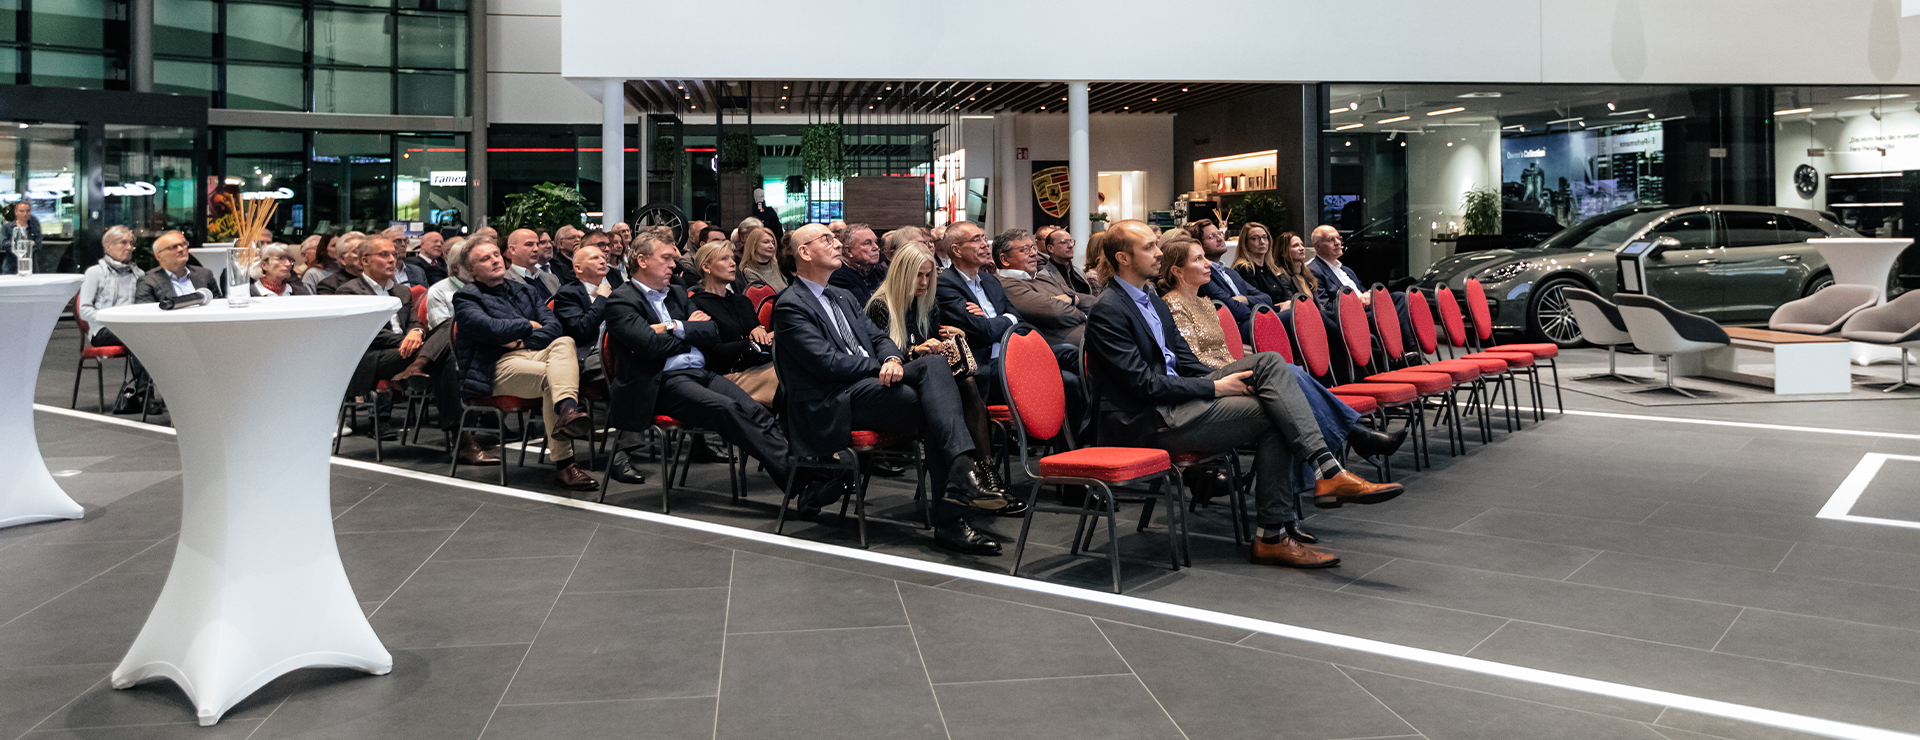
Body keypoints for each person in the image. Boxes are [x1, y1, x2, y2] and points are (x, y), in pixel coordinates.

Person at [1084, 220, 1405, 569]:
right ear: (1123, 258)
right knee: (1275, 412)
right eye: (1148, 247)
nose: (1158, 252)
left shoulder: (1151, 300)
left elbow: (1186, 362)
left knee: (1270, 367)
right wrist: (1216, 386)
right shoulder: (1109, 310)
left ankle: (1318, 483)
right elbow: (1142, 384)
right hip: (1147, 420)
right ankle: (1285, 521)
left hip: (1179, 403)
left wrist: (1232, 377)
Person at [773, 222, 1012, 554]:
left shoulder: (841, 296)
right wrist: (884, 364)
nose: (836, 245)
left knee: (936, 369)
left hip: (869, 386)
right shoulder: (790, 305)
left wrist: (891, 359)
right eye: (826, 240)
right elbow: (826, 363)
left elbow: (879, 338)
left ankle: (959, 482)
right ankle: (957, 498)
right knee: (936, 397)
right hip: (832, 400)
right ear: (804, 252)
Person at [1157, 231, 1407, 512]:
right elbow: (1190, 363)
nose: (1208, 264)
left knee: (1285, 381)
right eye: (1199, 259)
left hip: (1229, 372)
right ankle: (1350, 442)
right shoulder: (1170, 306)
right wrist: (1232, 379)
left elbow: (1226, 348)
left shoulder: (1204, 303)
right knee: (1282, 378)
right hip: (1210, 384)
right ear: (1178, 271)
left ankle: (1324, 476)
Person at [602, 228, 804, 495]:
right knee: (728, 409)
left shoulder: (676, 292)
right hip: (662, 381)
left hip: (702, 372)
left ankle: (798, 474)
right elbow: (649, 347)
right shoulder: (621, 301)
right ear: (642, 260)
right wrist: (687, 330)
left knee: (755, 410)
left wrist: (670, 327)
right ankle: (798, 480)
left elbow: (711, 332)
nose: (673, 265)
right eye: (665, 258)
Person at [865, 243, 1008, 497]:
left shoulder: (926, 305)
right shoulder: (880, 306)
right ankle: (978, 473)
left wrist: (949, 340)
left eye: (928, 275)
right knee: (965, 385)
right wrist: (916, 351)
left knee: (969, 381)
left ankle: (979, 471)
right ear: (902, 274)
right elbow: (882, 358)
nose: (924, 282)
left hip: (929, 376)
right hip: (895, 379)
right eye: (918, 275)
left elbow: (931, 346)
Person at [454, 242, 596, 492]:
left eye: (496, 255)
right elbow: (489, 327)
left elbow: (554, 328)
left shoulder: (525, 290)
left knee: (565, 341)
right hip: (494, 368)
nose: (495, 260)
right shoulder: (466, 297)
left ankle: (567, 411)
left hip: (535, 355)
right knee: (552, 379)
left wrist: (518, 340)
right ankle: (566, 464)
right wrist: (529, 325)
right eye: (486, 258)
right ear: (471, 270)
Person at [418, 239, 501, 466]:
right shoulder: (439, 291)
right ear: (457, 267)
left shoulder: (491, 286)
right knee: (455, 363)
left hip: (495, 345)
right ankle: (463, 437)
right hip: (457, 348)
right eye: (472, 262)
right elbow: (444, 331)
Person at [334, 237, 426, 424]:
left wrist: (417, 332)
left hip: (403, 351)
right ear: (365, 260)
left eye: (394, 254)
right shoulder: (350, 292)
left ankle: (455, 429)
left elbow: (415, 322)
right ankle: (460, 427)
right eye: (384, 255)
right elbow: (366, 332)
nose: (393, 259)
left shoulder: (402, 291)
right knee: (434, 352)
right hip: (370, 356)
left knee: (444, 337)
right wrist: (406, 340)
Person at [1307, 225, 1416, 376]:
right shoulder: (1314, 271)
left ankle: (1409, 350)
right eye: (1331, 240)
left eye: (1338, 238)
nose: (1338, 243)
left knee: (1399, 297)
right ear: (1317, 246)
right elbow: (1325, 308)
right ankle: (1398, 357)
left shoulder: (1345, 269)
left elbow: (1362, 291)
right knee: (1386, 315)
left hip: (1367, 310)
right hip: (1351, 318)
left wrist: (1369, 294)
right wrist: (1359, 301)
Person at [689, 240, 777, 407]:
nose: (732, 264)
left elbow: (758, 335)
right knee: (791, 376)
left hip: (757, 365)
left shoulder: (741, 301)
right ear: (706, 268)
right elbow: (716, 353)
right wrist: (749, 342)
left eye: (732, 259)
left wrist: (766, 335)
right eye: (724, 259)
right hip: (727, 375)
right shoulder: (697, 304)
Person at [79, 225, 147, 412]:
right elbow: (84, 309)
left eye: (131, 243)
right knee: (138, 339)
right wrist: (110, 320)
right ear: (108, 247)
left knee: (151, 338)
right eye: (123, 242)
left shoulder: (139, 274)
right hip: (102, 330)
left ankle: (156, 393)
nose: (129, 247)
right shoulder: (94, 273)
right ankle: (145, 394)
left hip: (132, 328)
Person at [996, 228, 1091, 347]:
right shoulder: (1006, 285)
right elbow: (1055, 311)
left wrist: (1070, 299)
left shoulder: (1042, 278)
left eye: (1032, 247)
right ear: (1005, 260)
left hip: (1087, 338)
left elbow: (1084, 300)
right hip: (1060, 350)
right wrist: (1084, 315)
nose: (1034, 253)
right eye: (1025, 250)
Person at [1186, 218, 1272, 329]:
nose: (1220, 239)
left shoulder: (1230, 272)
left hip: (1251, 321)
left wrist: (1245, 300)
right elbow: (1232, 309)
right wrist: (1262, 314)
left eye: (1219, 234)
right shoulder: (1204, 276)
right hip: (1235, 328)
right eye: (1211, 237)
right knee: (1291, 317)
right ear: (1199, 245)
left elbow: (1267, 298)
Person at [551, 242, 613, 383]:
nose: (603, 261)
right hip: (590, 354)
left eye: (603, 257)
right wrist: (601, 299)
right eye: (594, 258)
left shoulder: (612, 291)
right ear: (578, 268)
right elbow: (582, 329)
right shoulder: (568, 293)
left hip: (616, 348)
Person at [135, 231, 222, 304]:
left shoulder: (204, 275)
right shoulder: (148, 282)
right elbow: (147, 316)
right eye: (173, 247)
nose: (181, 249)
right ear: (158, 256)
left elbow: (218, 306)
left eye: (184, 244)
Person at [1232, 222, 1294, 304]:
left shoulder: (1271, 268)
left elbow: (1286, 294)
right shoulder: (1244, 269)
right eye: (1255, 238)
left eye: (1265, 237)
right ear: (1245, 244)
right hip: (1266, 313)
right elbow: (1258, 300)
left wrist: (1289, 303)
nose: (1262, 242)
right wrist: (1281, 307)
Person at [1036, 224, 1097, 297]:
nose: (1070, 246)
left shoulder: (1078, 272)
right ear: (1050, 248)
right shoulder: (1044, 276)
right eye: (1064, 242)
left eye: (1071, 242)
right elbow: (1060, 304)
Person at [829, 222, 885, 301]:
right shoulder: (839, 277)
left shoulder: (877, 271)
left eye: (875, 242)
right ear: (848, 251)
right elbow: (866, 310)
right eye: (867, 243)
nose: (876, 247)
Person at [505, 228, 560, 302]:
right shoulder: (504, 281)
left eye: (537, 244)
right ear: (513, 250)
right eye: (529, 244)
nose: (536, 249)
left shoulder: (552, 279)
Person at [737, 225, 785, 292]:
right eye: (766, 242)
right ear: (754, 245)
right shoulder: (749, 271)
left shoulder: (777, 264)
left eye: (773, 242)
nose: (771, 246)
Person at [0, 200, 43, 274]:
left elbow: (38, 243)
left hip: (31, 266)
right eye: (21, 211)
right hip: (11, 267)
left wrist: (22, 245)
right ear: (16, 212)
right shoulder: (7, 227)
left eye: (27, 211)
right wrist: (24, 244)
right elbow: (3, 243)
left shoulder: (34, 225)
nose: (25, 214)